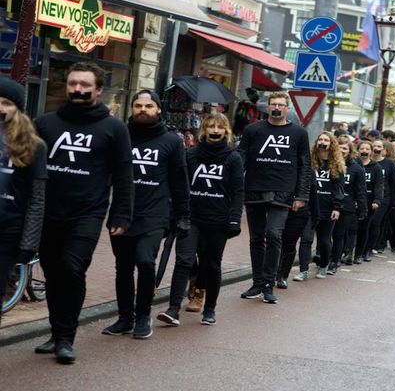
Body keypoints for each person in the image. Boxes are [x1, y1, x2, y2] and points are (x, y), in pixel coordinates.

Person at [34, 62, 134, 364]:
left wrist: (121, 215)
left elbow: (123, 174)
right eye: (73, 84)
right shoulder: (46, 123)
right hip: (48, 212)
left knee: (71, 268)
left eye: (85, 85)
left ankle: (67, 338)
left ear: (99, 90)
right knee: (52, 274)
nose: (78, 89)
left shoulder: (114, 128)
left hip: (87, 214)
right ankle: (55, 332)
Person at [102, 90, 190, 339]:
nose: (143, 109)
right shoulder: (121, 137)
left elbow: (180, 181)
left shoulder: (172, 141)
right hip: (122, 212)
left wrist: (183, 215)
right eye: (138, 105)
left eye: (148, 106)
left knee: (145, 261)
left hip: (155, 213)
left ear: (158, 109)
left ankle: (143, 315)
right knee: (123, 267)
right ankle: (124, 318)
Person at [157, 113, 242, 325]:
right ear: (204, 130)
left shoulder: (233, 158)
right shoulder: (192, 154)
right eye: (210, 127)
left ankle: (210, 310)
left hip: (218, 220)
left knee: (211, 265)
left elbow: (238, 191)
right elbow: (179, 184)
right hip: (191, 217)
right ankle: (173, 309)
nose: (215, 131)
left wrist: (235, 219)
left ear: (225, 131)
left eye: (219, 127)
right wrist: (174, 212)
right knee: (184, 261)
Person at [237, 92, 310, 304]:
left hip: (283, 191)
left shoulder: (299, 133)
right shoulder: (252, 130)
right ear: (267, 108)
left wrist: (302, 195)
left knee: (274, 234)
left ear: (287, 109)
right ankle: (257, 282)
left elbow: (305, 165)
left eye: (281, 105)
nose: (277, 107)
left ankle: (270, 283)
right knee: (256, 238)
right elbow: (240, 158)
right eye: (273, 104)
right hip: (255, 189)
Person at [0, 78, 47, 327]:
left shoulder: (33, 146)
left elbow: (37, 198)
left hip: (7, 230)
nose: (0, 108)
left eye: (6, 103)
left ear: (18, 109)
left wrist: (29, 242)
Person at [311, 132, 345, 278]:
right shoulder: (310, 161)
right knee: (306, 239)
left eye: (326, 140)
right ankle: (303, 269)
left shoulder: (336, 165)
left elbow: (339, 189)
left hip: (327, 207)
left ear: (331, 145)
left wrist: (337, 207)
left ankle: (324, 266)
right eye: (320, 139)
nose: (323, 142)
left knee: (324, 239)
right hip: (310, 206)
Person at [277, 169, 318, 284]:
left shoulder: (308, 171)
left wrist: (315, 215)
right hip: (278, 206)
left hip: (299, 211)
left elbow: (313, 193)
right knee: (274, 239)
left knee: (290, 243)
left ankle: (282, 276)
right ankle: (272, 273)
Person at [331, 138, 367, 269]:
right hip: (329, 204)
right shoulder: (330, 164)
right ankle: (324, 257)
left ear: (350, 151)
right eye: (339, 147)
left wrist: (363, 209)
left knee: (339, 234)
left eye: (345, 148)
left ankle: (335, 261)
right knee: (327, 234)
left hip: (347, 206)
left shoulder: (357, 169)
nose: (342, 150)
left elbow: (360, 190)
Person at [353, 141, 384, 263]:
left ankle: (361, 253)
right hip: (353, 201)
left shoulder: (376, 167)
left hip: (368, 202)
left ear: (371, 151)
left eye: (367, 149)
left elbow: (379, 185)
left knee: (364, 228)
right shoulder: (354, 165)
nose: (364, 151)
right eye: (362, 148)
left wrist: (377, 200)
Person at [371, 140, 395, 258]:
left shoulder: (389, 163)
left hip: (384, 198)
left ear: (384, 149)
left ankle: (374, 245)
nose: (376, 148)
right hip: (368, 197)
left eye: (379, 146)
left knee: (376, 222)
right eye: (374, 146)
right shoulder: (367, 162)